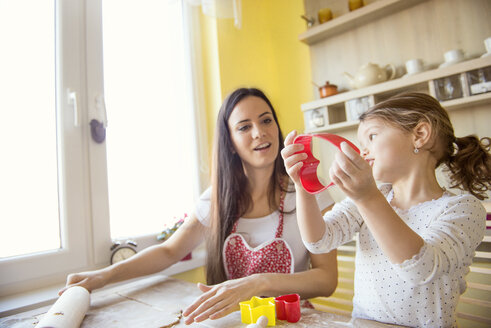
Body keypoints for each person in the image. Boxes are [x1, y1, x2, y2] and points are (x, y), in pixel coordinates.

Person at [60, 87, 338, 324]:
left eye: (266, 121)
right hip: (233, 322)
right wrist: (102, 277)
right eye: (244, 127)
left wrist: (258, 283)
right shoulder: (217, 198)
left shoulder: (307, 189)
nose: (259, 133)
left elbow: (326, 280)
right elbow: (170, 251)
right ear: (230, 143)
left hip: (293, 322)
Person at [281, 92, 490, 327]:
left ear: (420, 135)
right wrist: (302, 184)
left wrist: (368, 197)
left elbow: (421, 268)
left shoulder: (462, 209)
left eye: (372, 136)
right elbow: (319, 241)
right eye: (362, 144)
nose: (364, 151)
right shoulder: (367, 199)